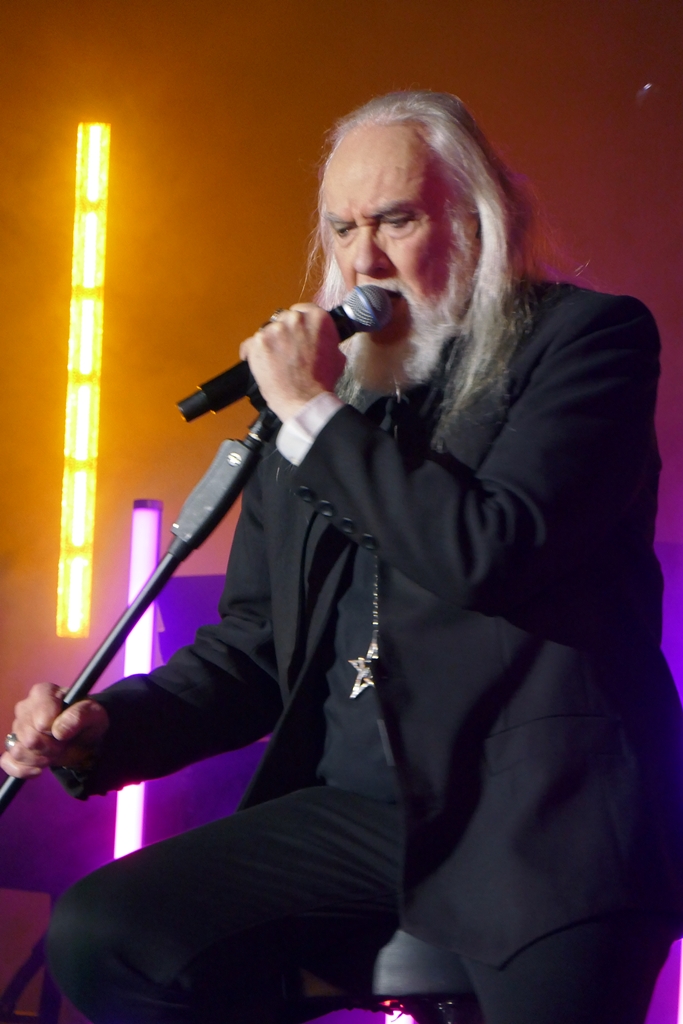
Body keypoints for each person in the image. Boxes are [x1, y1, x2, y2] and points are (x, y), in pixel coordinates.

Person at [3, 91, 683, 1024]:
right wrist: (107, 727)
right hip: (359, 816)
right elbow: (251, 648)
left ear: (477, 222)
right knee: (109, 932)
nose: (364, 259)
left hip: (537, 816)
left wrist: (313, 415)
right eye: (341, 229)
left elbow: (489, 550)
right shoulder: (335, 403)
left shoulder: (582, 341)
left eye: (395, 220)